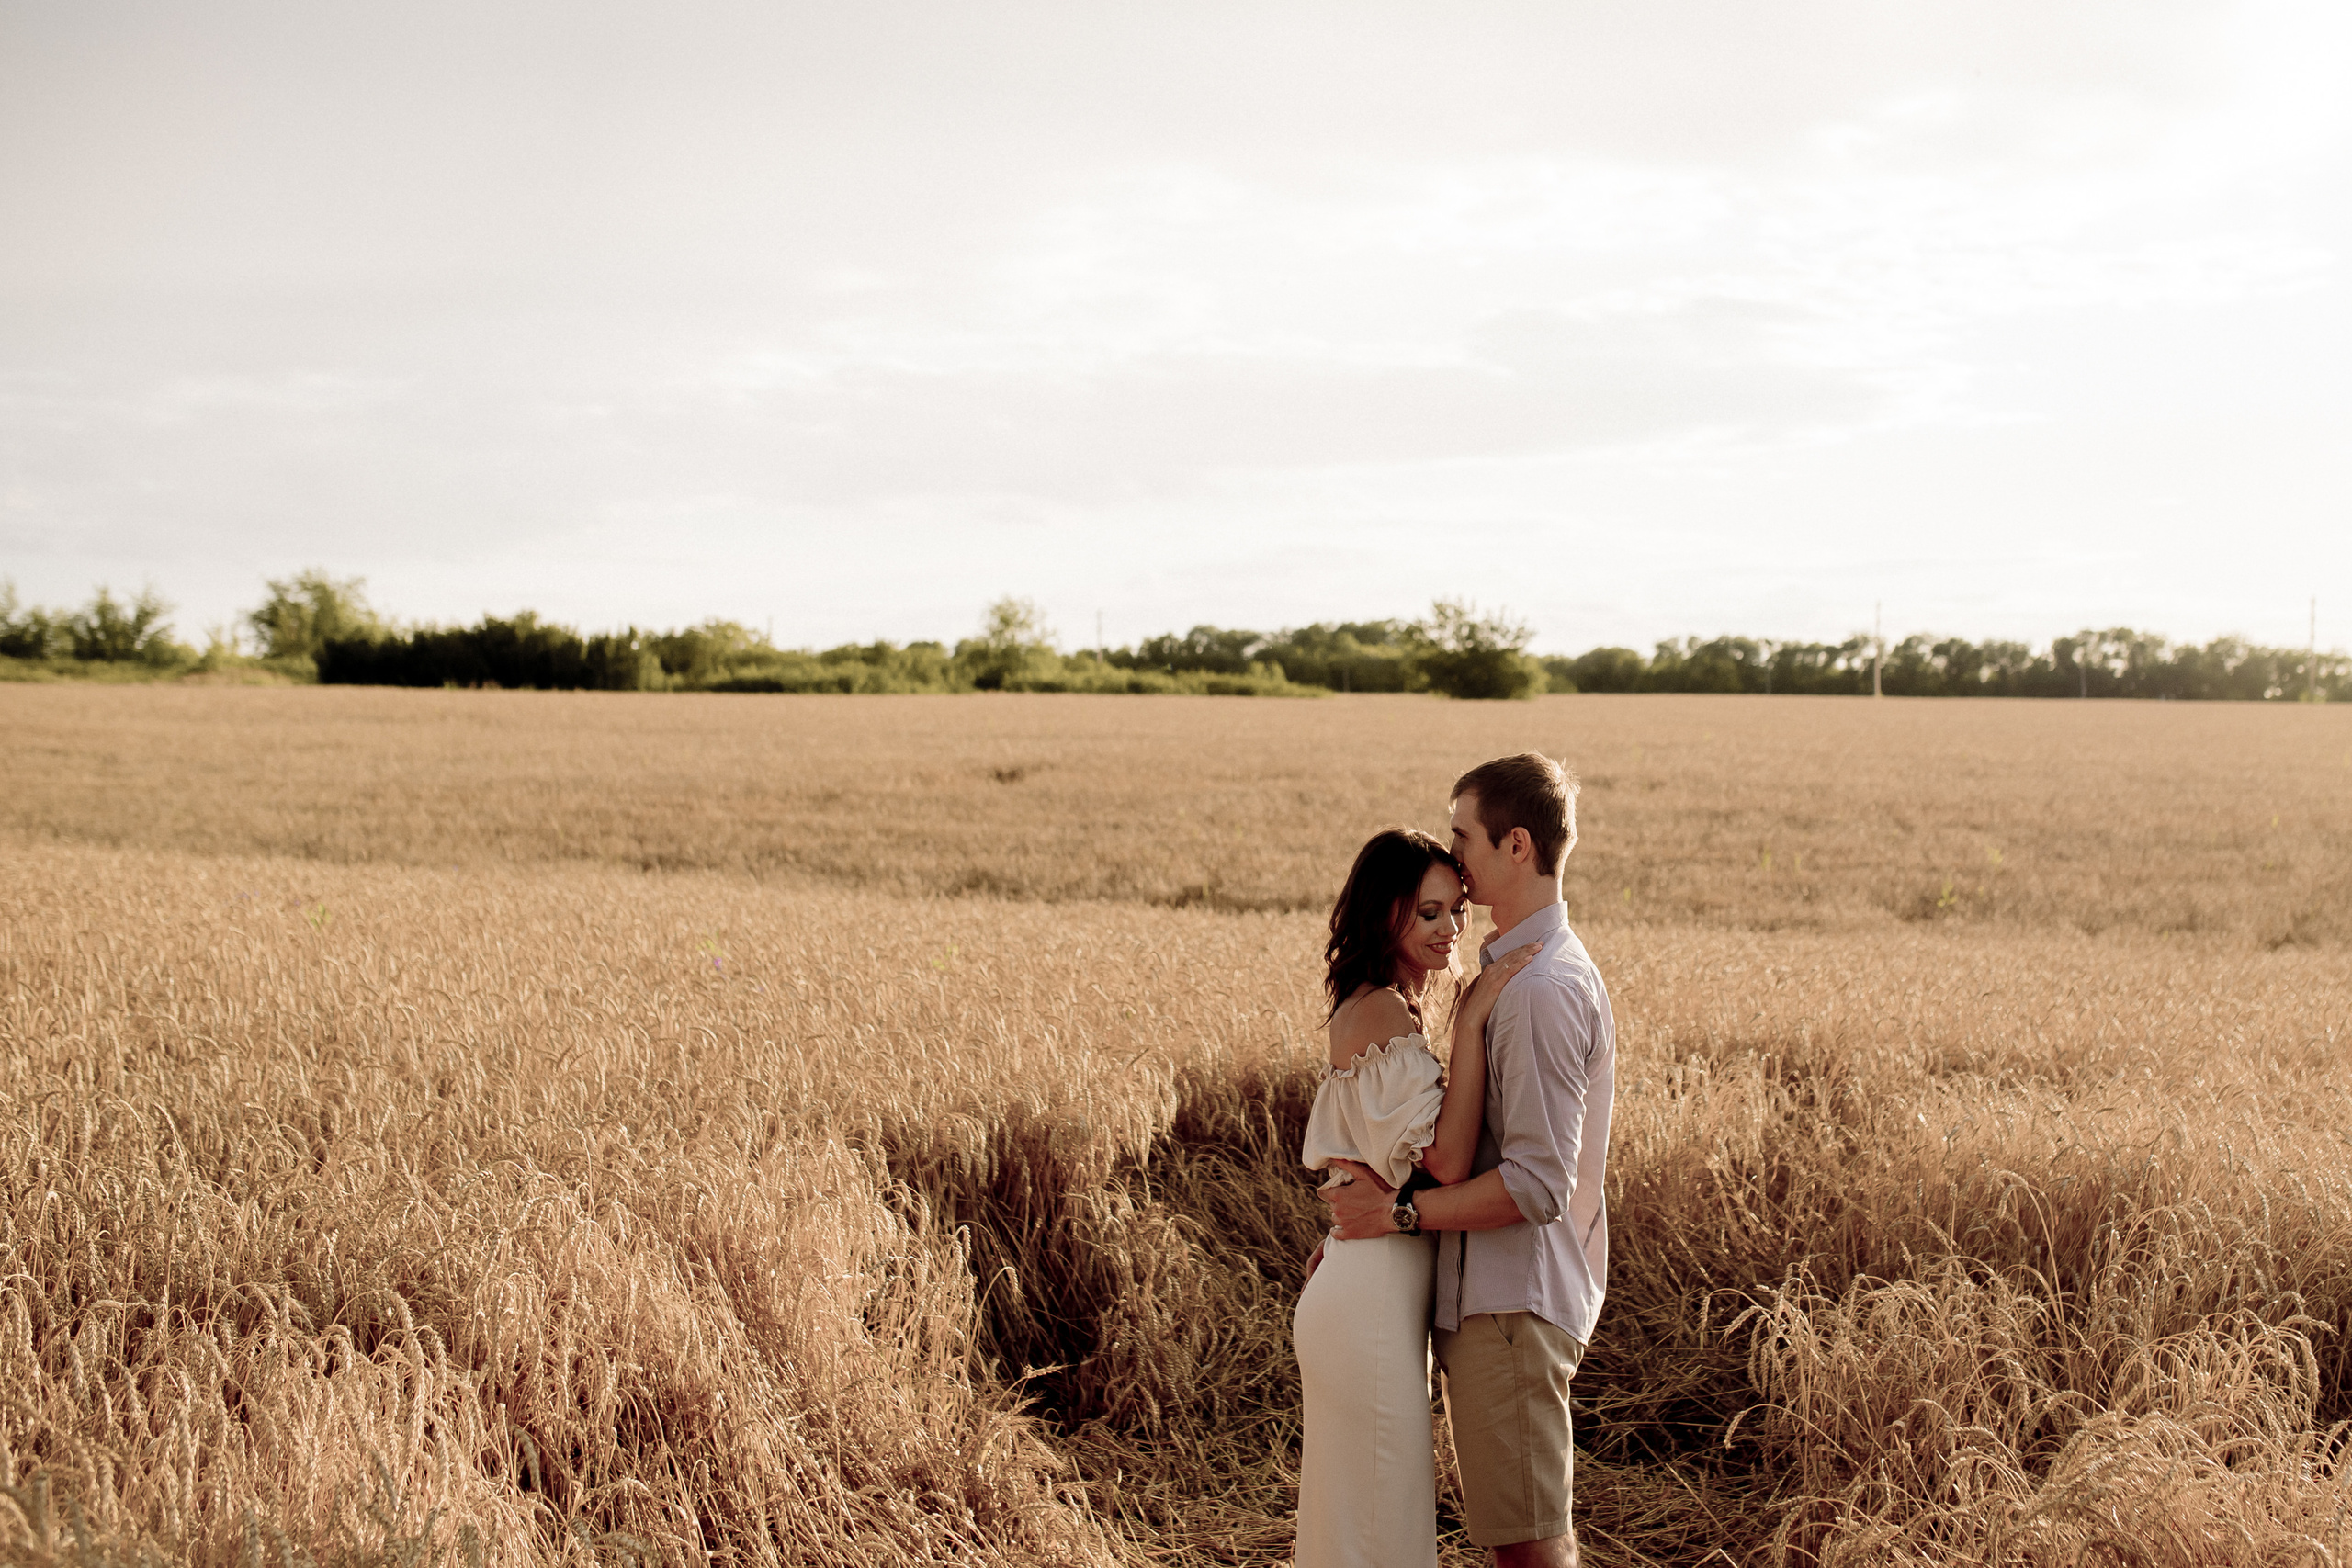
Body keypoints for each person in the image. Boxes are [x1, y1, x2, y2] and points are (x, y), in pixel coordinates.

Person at [1322, 754, 1614, 1568]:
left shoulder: (1540, 988)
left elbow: (1536, 1184)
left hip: (1510, 1304)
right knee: (1513, 1537)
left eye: (1463, 835)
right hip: (1485, 1302)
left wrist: (1397, 1214)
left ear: (1516, 844)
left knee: (1529, 1549)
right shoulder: (1500, 976)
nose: (1455, 853)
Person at [1293, 828, 1541, 1568]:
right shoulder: (1382, 1014)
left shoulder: (1392, 1007)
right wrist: (1469, 1025)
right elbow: (1448, 1158)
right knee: (1378, 1530)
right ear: (1385, 914)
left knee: (1370, 1524)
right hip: (1367, 1301)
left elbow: (1388, 1164)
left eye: (1457, 910)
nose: (1451, 929)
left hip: (1373, 1293)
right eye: (1429, 913)